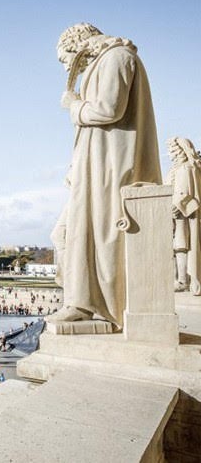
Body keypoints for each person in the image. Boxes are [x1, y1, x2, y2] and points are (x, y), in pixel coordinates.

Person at [48, 23, 162, 329]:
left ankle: (92, 305)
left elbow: (109, 110)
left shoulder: (117, 57)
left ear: (77, 45)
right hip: (94, 165)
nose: (68, 67)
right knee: (67, 234)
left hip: (110, 166)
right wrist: (75, 166)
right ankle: (80, 301)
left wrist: (73, 106)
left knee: (98, 236)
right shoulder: (106, 61)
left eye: (65, 59)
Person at [168, 137, 201, 295]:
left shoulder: (186, 168)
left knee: (182, 245)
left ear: (180, 150)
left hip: (185, 215)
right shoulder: (178, 168)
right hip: (178, 215)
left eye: (172, 150)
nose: (170, 153)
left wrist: (175, 206)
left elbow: (186, 193)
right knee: (179, 246)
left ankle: (183, 280)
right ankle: (182, 279)